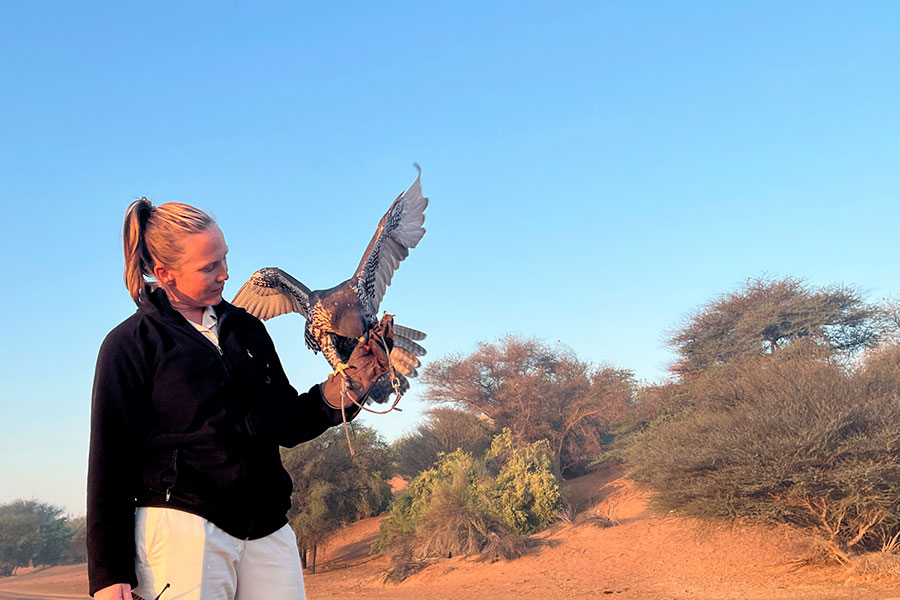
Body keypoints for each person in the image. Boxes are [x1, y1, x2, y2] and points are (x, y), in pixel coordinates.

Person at [87, 198, 391, 600]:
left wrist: (353, 380)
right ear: (165, 274)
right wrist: (109, 575)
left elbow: (287, 422)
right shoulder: (130, 345)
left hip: (268, 530)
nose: (226, 274)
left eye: (224, 259)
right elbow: (109, 462)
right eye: (209, 266)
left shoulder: (246, 330)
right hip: (183, 531)